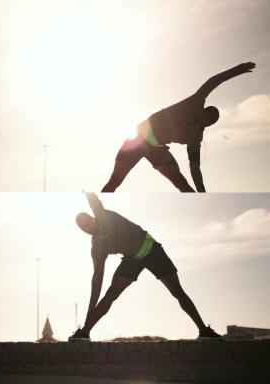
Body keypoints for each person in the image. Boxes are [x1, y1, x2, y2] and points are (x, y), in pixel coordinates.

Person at [68, 193, 221, 341]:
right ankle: (85, 332)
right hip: (132, 258)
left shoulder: (103, 216)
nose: (87, 229)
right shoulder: (97, 247)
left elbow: (94, 201)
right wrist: (90, 310)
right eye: (83, 228)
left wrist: (86, 191)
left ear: (92, 218)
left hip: (152, 249)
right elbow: (97, 279)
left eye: (87, 223)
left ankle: (204, 330)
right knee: (111, 293)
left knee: (177, 290)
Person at [101, 62, 256, 192]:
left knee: (182, 184)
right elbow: (213, 82)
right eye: (207, 117)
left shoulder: (196, 137)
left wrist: (202, 192)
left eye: (210, 122)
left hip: (157, 148)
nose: (206, 122)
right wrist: (238, 69)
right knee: (114, 183)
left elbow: (195, 168)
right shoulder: (195, 103)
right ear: (203, 111)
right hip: (137, 140)